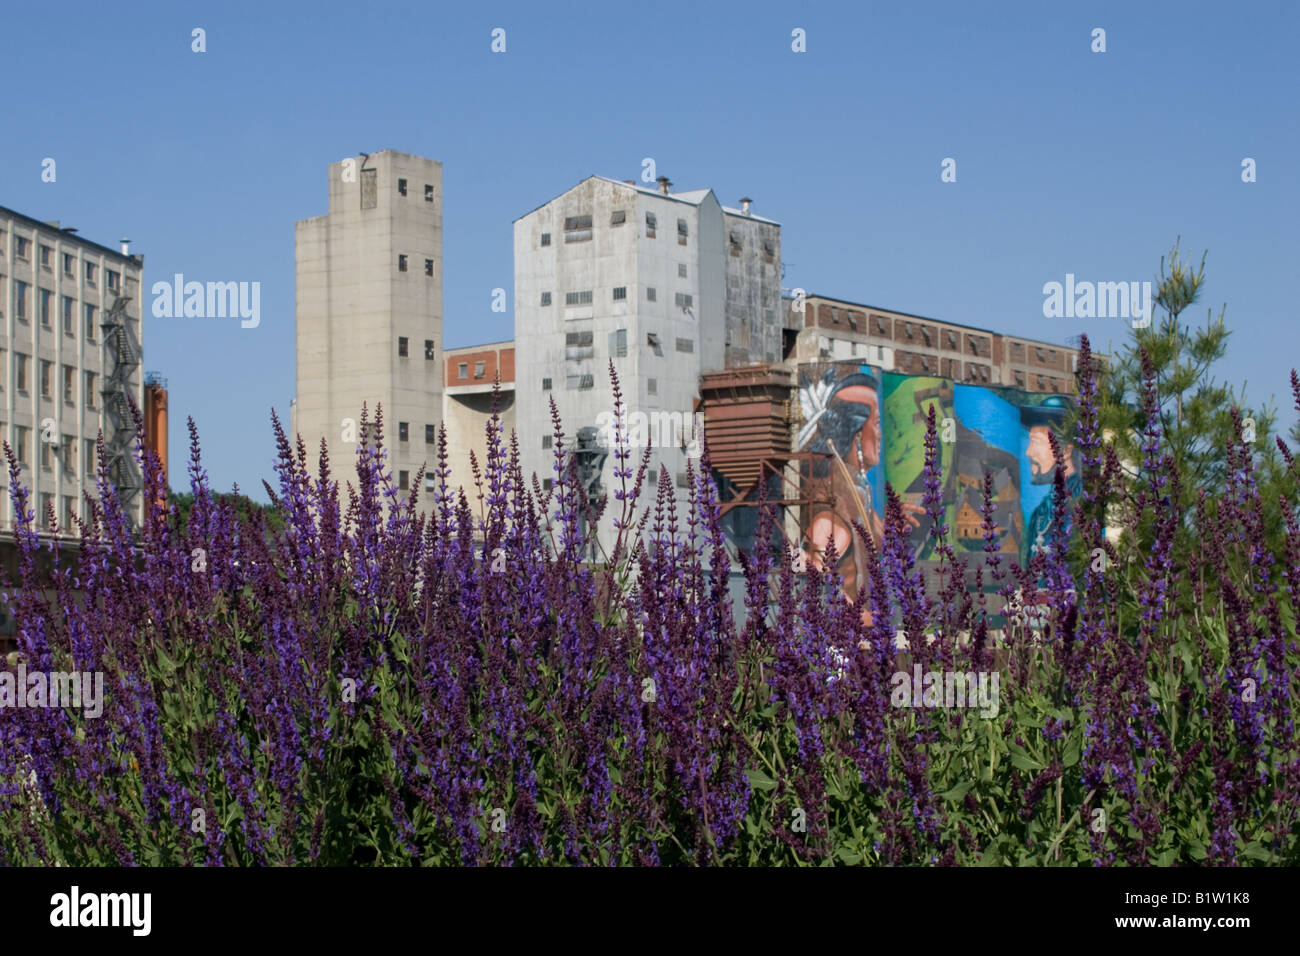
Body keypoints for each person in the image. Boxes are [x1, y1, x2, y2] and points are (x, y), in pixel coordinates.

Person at [798, 368, 922, 601]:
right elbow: (812, 578)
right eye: (876, 423)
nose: (881, 434)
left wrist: (893, 523)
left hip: (866, 624)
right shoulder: (831, 513)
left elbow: (873, 541)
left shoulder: (858, 490)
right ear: (856, 435)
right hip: (848, 628)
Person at [1020, 398, 1082, 565]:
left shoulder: (1084, 505)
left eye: (1035, 442)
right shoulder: (1040, 512)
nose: (1028, 452)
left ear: (1067, 450)